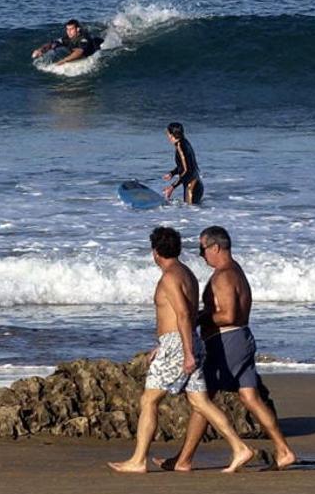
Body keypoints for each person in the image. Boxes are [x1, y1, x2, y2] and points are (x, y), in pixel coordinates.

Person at [107, 227, 255, 474]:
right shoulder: (185, 273)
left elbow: (184, 315)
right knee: (200, 402)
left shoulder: (169, 277)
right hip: (185, 342)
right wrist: (168, 345)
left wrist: (183, 350)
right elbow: (180, 314)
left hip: (180, 344)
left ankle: (138, 460)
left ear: (155, 252)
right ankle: (239, 448)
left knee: (149, 399)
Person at [155, 226, 297, 472]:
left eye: (202, 249)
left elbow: (228, 314)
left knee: (202, 399)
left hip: (227, 341)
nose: (201, 255)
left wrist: (200, 318)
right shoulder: (236, 271)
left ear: (215, 247)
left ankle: (184, 460)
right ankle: (283, 450)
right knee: (250, 397)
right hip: (241, 338)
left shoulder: (223, 276)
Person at [161, 122, 204, 205]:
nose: (167, 136)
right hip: (196, 185)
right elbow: (185, 166)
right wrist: (172, 173)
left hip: (191, 187)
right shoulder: (184, 142)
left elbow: (186, 171)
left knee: (190, 215)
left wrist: (172, 187)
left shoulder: (181, 147)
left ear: (171, 135)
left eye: (167, 133)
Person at [30, 19, 103, 66]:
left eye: (71, 29)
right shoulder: (67, 38)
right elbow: (53, 43)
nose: (69, 32)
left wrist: (64, 61)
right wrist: (41, 50)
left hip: (99, 44)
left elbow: (79, 52)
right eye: (67, 29)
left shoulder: (84, 39)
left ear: (77, 29)